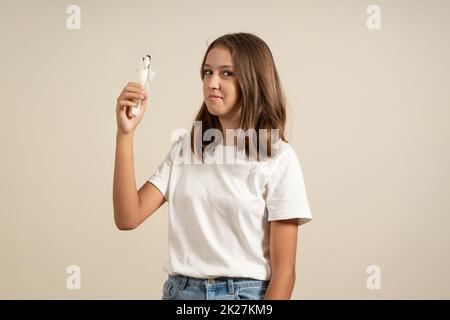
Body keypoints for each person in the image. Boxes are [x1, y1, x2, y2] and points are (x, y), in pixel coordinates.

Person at [113, 33, 312, 300]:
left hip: (244, 297)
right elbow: (128, 217)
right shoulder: (187, 148)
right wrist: (125, 135)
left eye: (227, 73)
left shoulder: (278, 158)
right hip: (181, 294)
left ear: (254, 80)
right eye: (207, 72)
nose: (212, 83)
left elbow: (285, 274)